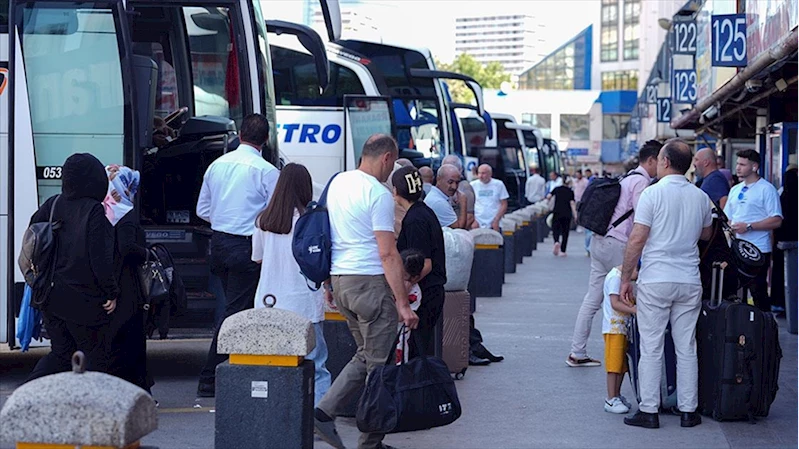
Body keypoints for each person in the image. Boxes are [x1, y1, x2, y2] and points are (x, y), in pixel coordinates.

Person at [313, 134, 419, 449]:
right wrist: (403, 304)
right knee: (379, 364)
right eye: (393, 163)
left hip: (342, 280)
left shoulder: (338, 183)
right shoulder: (378, 193)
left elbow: (328, 235)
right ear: (387, 157)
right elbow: (388, 253)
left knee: (369, 356)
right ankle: (353, 431)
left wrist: (329, 283)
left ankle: (337, 420)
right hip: (370, 283)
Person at [620, 138, 713, 429]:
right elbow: (707, 234)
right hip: (688, 279)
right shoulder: (700, 196)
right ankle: (689, 411)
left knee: (651, 345)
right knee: (687, 345)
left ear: (665, 162)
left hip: (657, 279)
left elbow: (637, 238)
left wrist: (626, 276)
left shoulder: (652, 194)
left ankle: (649, 410)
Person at [195, 113, 280, 397]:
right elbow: (276, 214)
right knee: (236, 313)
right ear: (265, 140)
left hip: (218, 243)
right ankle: (212, 376)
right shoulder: (266, 171)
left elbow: (202, 211)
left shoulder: (216, 166)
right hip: (246, 246)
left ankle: (229, 371)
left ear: (240, 135)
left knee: (228, 309)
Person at [566, 140, 660, 367]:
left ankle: (577, 352)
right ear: (652, 160)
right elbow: (643, 219)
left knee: (592, 299)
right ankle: (630, 357)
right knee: (630, 296)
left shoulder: (626, 177)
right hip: (619, 246)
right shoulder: (640, 182)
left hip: (600, 242)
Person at [25, 153, 119, 382]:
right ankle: (99, 407)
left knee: (60, 353)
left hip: (50, 295)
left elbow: (33, 237)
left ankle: (27, 392)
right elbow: (99, 257)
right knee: (97, 355)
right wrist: (110, 292)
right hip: (83, 298)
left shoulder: (53, 203)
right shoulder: (94, 211)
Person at [251, 163, 331, 406]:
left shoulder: (264, 220)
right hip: (304, 302)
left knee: (274, 365)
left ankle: (279, 416)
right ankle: (318, 418)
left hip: (269, 301)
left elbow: (258, 257)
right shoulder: (313, 221)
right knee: (316, 366)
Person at [103, 165, 154, 394]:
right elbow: (127, 249)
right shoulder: (124, 213)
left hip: (112, 280)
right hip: (127, 285)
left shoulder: (106, 209)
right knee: (131, 340)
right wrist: (146, 253)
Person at [394, 166, 447, 359]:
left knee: (417, 350)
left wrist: (403, 289)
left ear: (395, 191)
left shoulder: (415, 220)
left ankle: (419, 387)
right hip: (432, 291)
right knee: (420, 348)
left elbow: (425, 263)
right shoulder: (423, 212)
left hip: (425, 294)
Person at [723, 150, 784, 312]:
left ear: (755, 166)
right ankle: (740, 331)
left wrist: (749, 226)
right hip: (736, 249)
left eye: (742, 164)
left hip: (758, 250)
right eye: (737, 164)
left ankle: (764, 330)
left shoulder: (767, 189)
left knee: (758, 292)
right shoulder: (735, 189)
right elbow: (728, 217)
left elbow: (777, 220)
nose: (738, 168)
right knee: (735, 293)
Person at [602, 263, 637, 414]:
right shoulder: (615, 278)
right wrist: (634, 309)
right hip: (613, 327)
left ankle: (616, 394)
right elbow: (615, 303)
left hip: (621, 327)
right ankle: (611, 398)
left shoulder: (620, 278)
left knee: (621, 365)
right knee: (613, 365)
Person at [772, 166, 798, 315]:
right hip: (795, 243)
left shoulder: (781, 196)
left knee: (780, 273)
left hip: (781, 242)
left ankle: (779, 303)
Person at [442, 155, 477, 230]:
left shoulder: (465, 188)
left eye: (451, 168)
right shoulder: (443, 187)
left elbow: (470, 217)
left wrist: (456, 234)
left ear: (460, 170)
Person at [471, 164, 509, 231]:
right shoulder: (472, 185)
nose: (480, 176)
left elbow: (504, 204)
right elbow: (469, 205)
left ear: (490, 174)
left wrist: (497, 220)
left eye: (483, 173)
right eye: (479, 173)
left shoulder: (499, 184)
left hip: (494, 223)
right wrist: (473, 220)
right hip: (478, 223)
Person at [546, 177, 577, 257]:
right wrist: (575, 215)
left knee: (555, 228)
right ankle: (563, 251)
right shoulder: (570, 191)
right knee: (565, 232)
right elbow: (572, 203)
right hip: (567, 214)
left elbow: (549, 196)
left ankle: (556, 241)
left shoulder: (557, 189)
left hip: (557, 212)